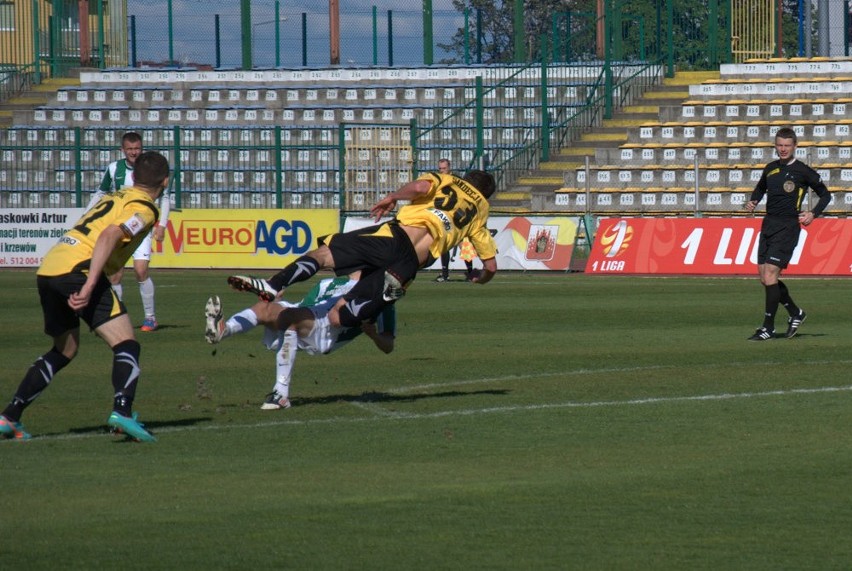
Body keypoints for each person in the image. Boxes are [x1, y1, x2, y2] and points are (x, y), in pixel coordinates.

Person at [0, 151, 170, 442]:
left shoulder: (114, 196)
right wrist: (91, 284)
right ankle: (122, 412)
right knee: (127, 343)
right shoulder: (145, 209)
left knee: (64, 350)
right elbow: (108, 237)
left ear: (134, 177)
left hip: (51, 267)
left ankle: (9, 417)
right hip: (79, 270)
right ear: (165, 182)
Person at [227, 169, 498, 329]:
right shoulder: (480, 213)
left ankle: (275, 286)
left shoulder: (448, 179)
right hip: (409, 266)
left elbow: (419, 187)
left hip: (393, 236)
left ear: (466, 178)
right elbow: (490, 267)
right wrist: (479, 279)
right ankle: (361, 308)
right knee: (338, 317)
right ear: (484, 195)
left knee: (323, 255)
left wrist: (393, 196)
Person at [204, 275, 396, 410]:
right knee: (264, 308)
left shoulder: (381, 298)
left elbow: (388, 346)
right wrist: (277, 302)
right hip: (307, 314)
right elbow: (306, 307)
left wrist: (373, 335)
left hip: (328, 332)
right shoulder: (329, 284)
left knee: (290, 318)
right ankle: (223, 330)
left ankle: (281, 393)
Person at [744, 127, 831, 341]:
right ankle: (795, 312)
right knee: (765, 278)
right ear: (775, 145)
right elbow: (760, 188)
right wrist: (753, 200)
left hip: (788, 227)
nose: (783, 149)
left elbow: (825, 195)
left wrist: (813, 213)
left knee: (771, 275)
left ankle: (768, 327)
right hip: (768, 226)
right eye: (779, 145)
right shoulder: (770, 168)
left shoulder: (803, 171)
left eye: (787, 145)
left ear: (795, 147)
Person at [86, 131, 171, 332]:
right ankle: (115, 319)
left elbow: (165, 197)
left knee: (141, 270)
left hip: (141, 227)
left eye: (137, 148)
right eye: (130, 149)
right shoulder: (114, 168)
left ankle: (150, 318)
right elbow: (101, 193)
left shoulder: (150, 168)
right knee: (115, 276)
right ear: (123, 150)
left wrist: (162, 225)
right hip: (119, 228)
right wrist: (86, 215)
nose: (134, 152)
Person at [433, 158, 454, 283]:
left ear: (449, 168)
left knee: (465, 244)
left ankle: (470, 272)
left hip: (454, 215)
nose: (442, 171)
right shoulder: (437, 181)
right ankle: (445, 274)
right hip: (443, 216)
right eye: (440, 169)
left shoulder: (454, 180)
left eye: (444, 168)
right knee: (444, 244)